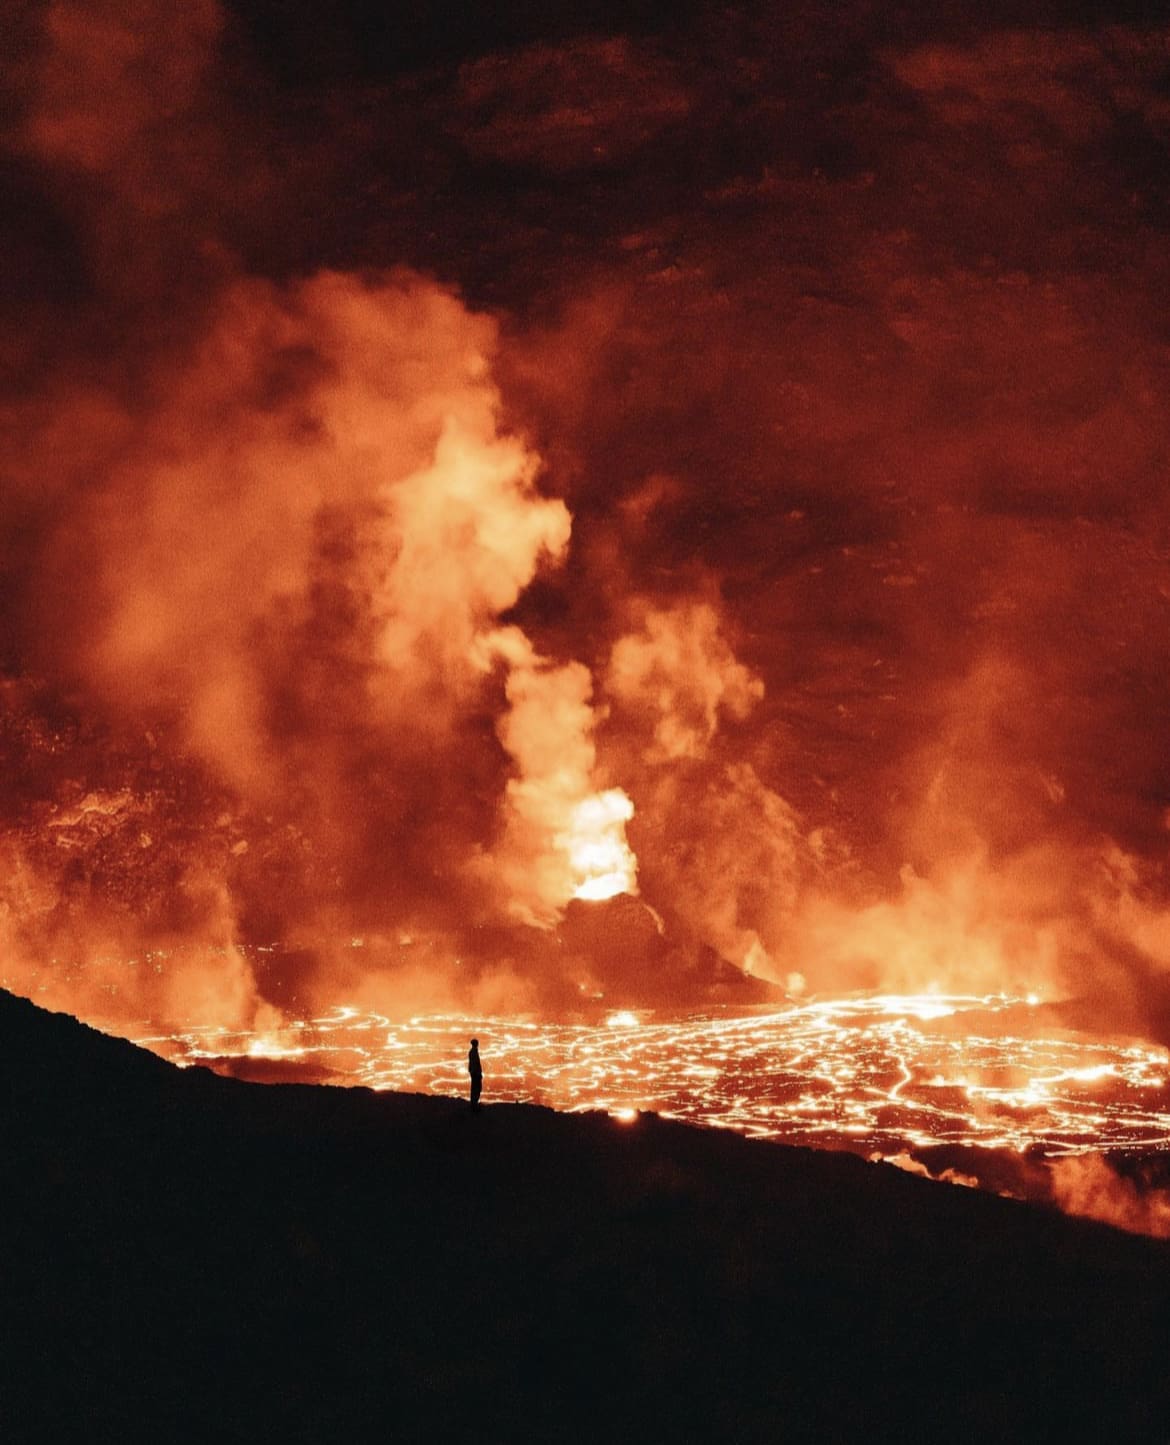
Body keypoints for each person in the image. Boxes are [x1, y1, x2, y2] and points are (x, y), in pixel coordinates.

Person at [468, 1037, 483, 1110]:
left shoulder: (472, 1052)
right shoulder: (473, 1052)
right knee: (476, 1088)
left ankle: (474, 1103)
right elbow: (475, 1063)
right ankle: (474, 1104)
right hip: (475, 1073)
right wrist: (478, 1073)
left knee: (475, 1088)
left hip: (474, 1073)